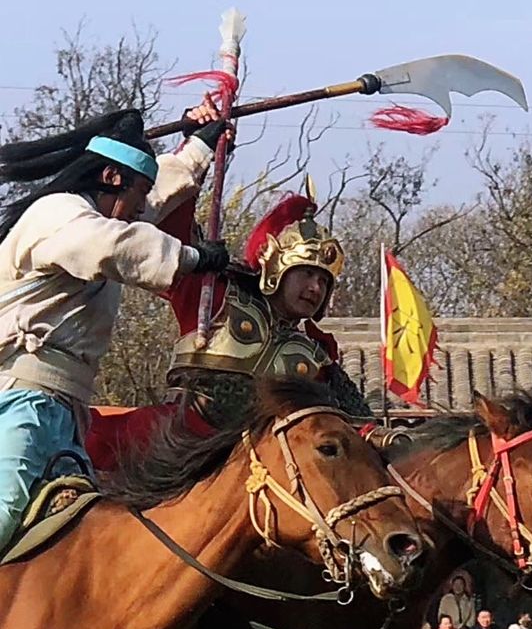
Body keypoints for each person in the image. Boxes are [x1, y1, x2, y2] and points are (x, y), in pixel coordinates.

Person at [0, 97, 231, 551]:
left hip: (65, 413)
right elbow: (114, 245)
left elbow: (149, 205)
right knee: (4, 511)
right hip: (20, 400)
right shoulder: (59, 215)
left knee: (78, 543)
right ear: (111, 177)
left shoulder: (98, 214)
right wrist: (192, 257)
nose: (144, 206)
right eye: (137, 193)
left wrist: (198, 148)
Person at [87, 184, 373, 469]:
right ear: (277, 269)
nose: (315, 288)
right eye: (307, 274)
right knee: (84, 446)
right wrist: (198, 157)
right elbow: (169, 225)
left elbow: (356, 423)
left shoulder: (316, 355)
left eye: (324, 281)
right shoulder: (216, 294)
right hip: (180, 438)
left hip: (258, 463)